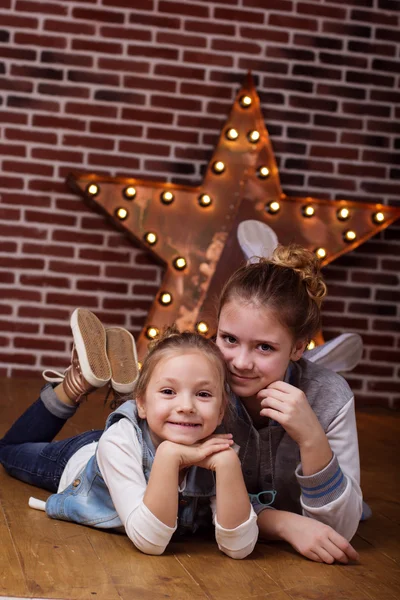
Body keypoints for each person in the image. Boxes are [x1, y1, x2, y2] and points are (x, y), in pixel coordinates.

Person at [0, 309, 258, 559]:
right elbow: (150, 541)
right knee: (10, 450)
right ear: (141, 404)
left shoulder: (220, 448)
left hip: (133, 442)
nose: (186, 407)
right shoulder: (117, 443)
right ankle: (74, 385)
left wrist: (227, 464)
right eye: (168, 391)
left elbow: (240, 547)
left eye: (203, 394)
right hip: (85, 460)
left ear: (222, 410)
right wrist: (169, 455)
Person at [215, 243, 363, 564]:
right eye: (229, 339)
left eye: (264, 347)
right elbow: (188, 499)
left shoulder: (329, 397)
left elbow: (341, 531)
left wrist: (312, 439)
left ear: (298, 347)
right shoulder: (200, 383)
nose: (240, 362)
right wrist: (283, 523)